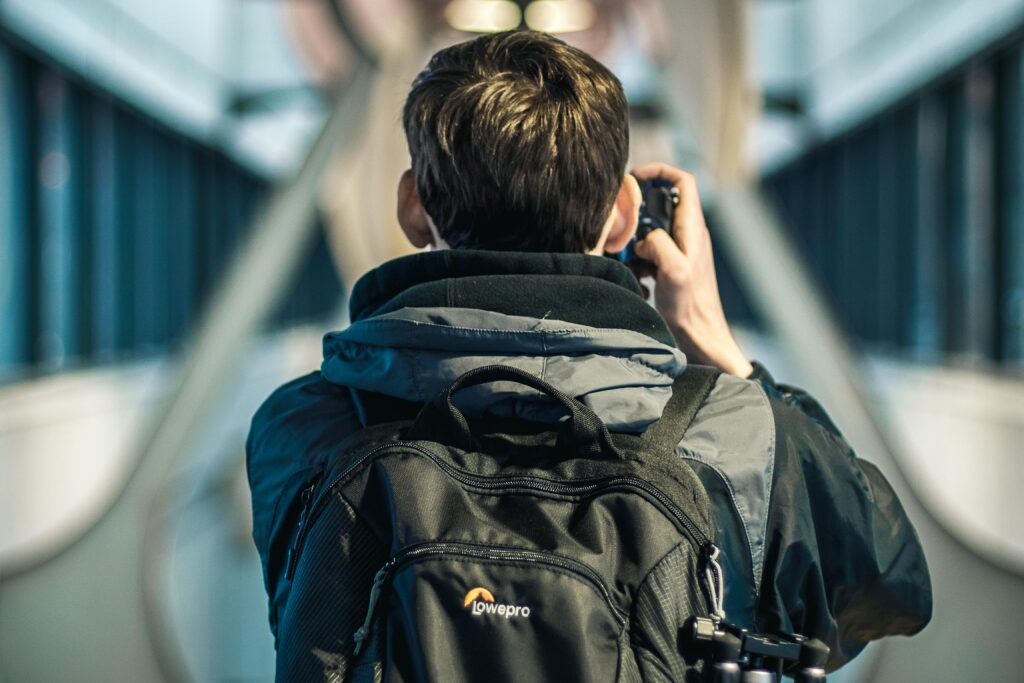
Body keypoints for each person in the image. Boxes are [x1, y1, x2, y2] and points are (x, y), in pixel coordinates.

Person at [247, 30, 931, 673]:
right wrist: (715, 346)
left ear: (412, 206)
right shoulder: (741, 441)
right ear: (626, 215)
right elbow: (889, 584)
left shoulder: (304, 427)